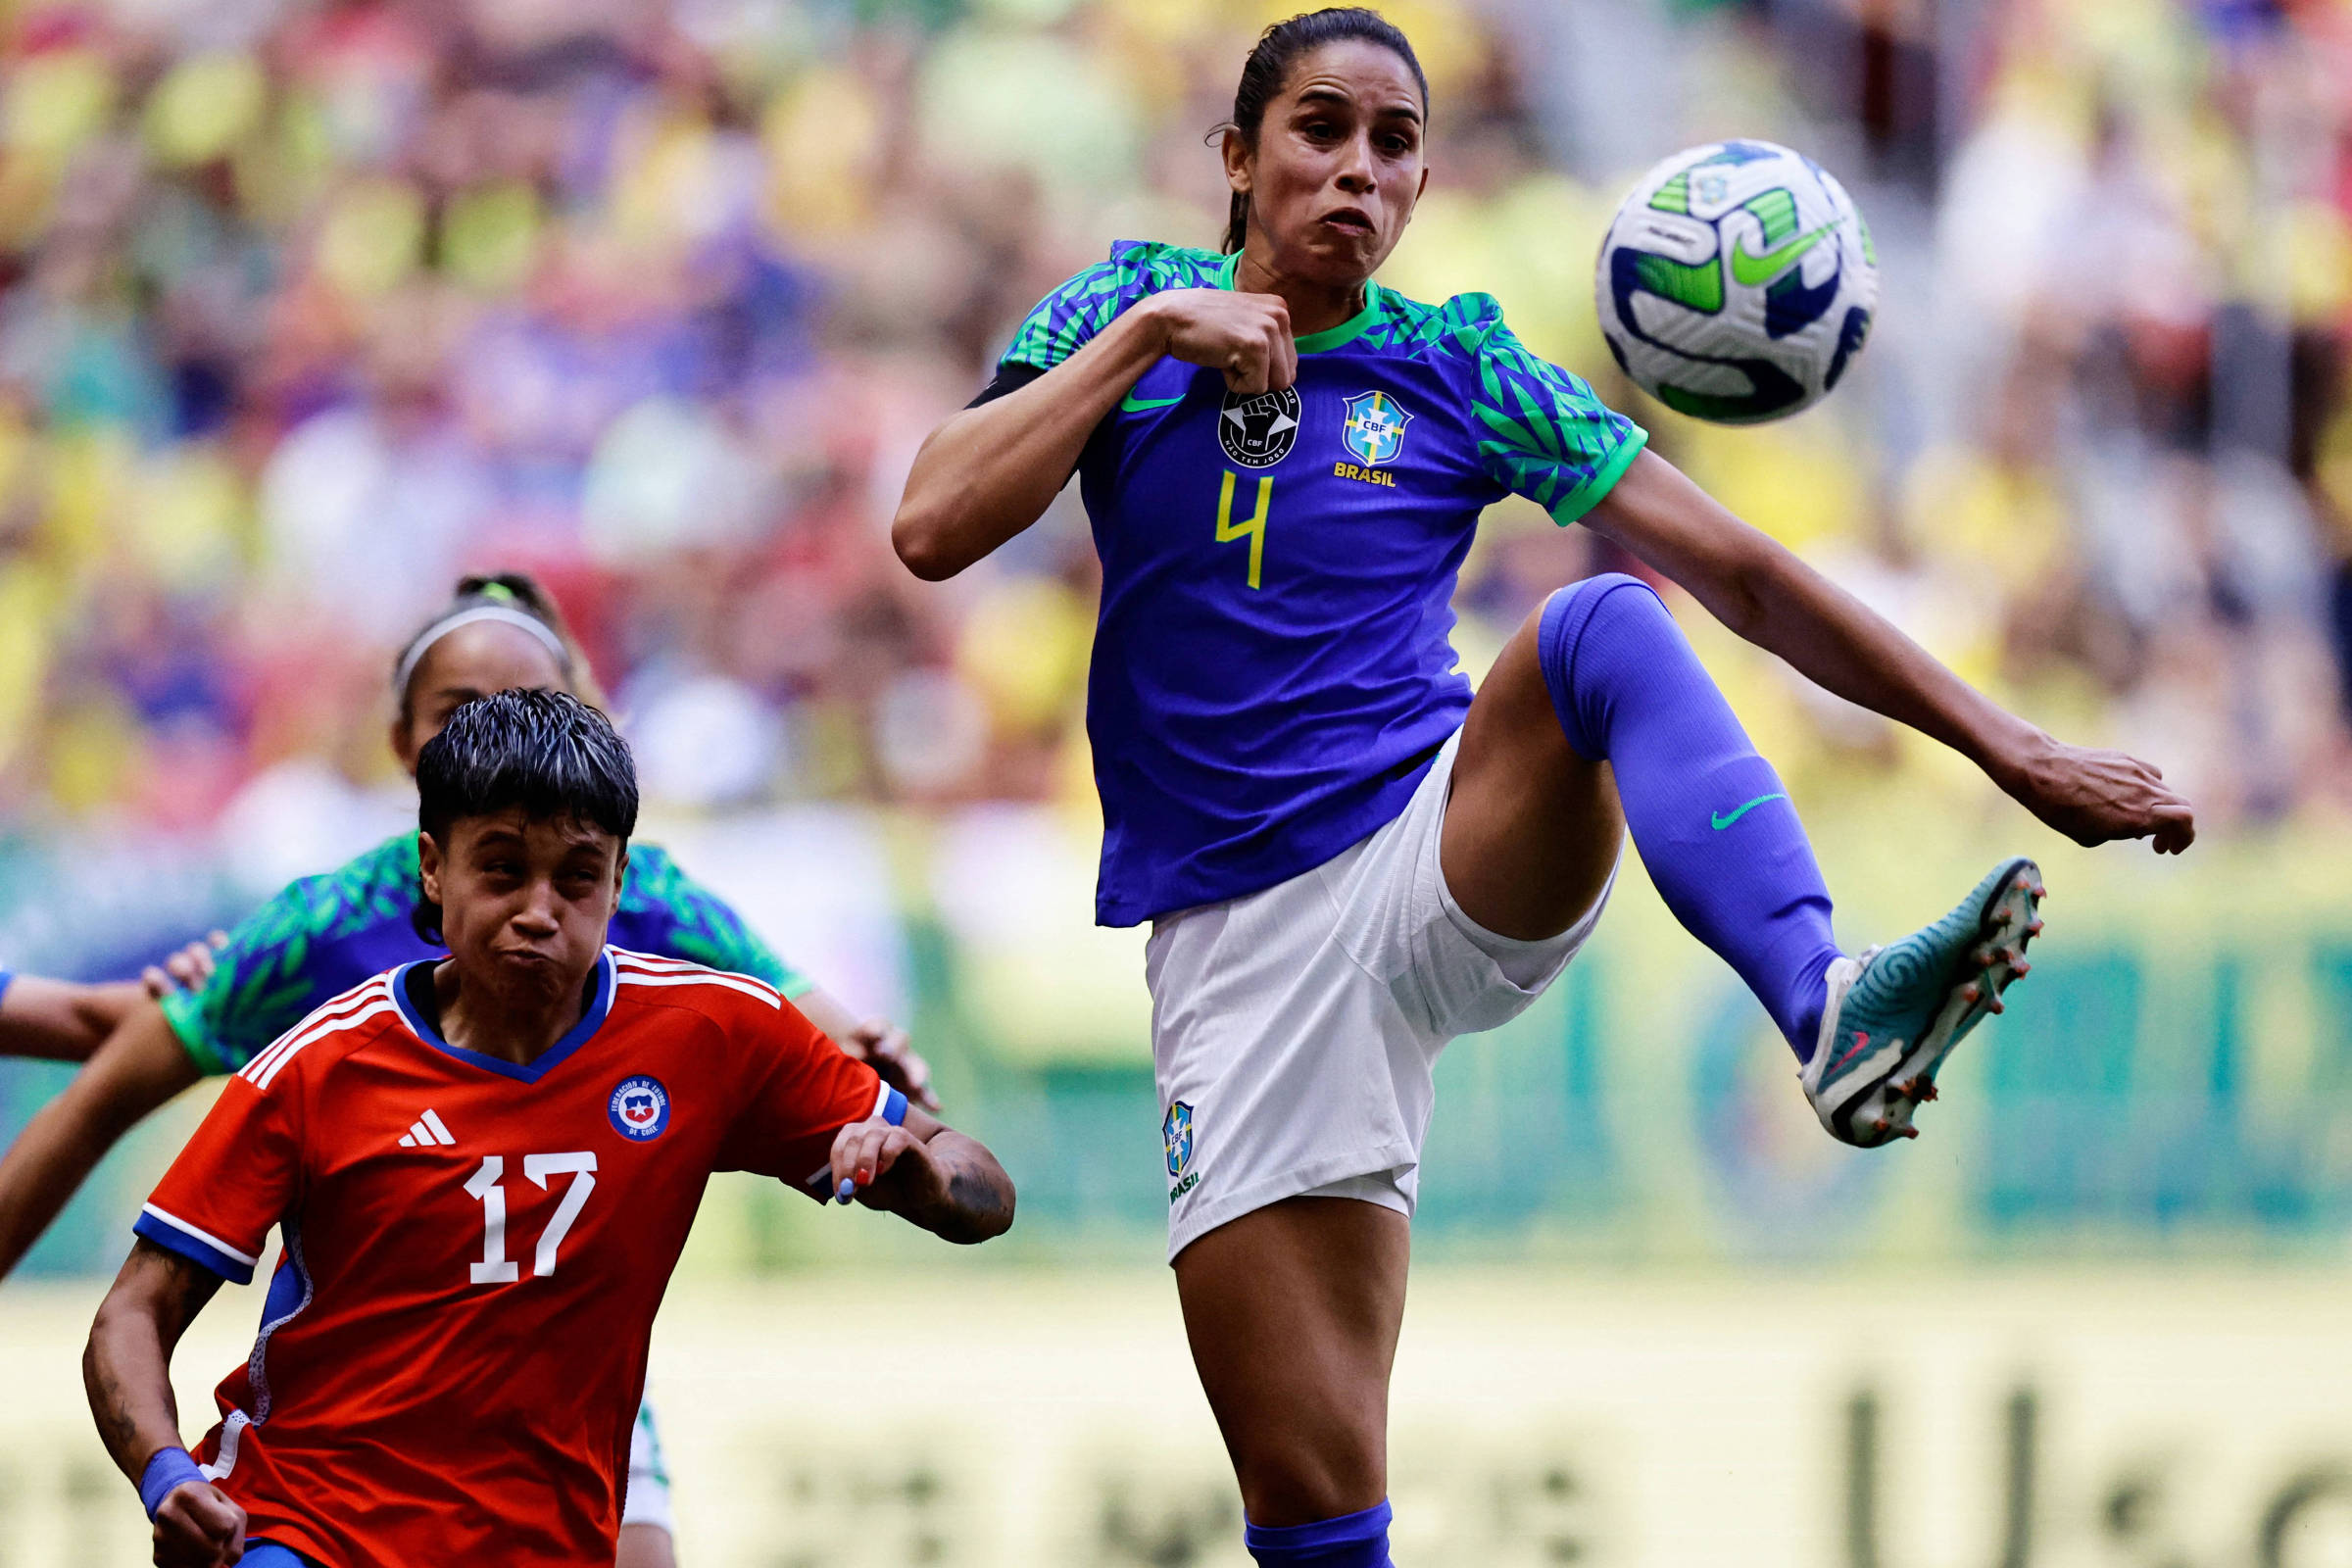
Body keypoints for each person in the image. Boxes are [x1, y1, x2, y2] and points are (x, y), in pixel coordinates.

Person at [890, 9, 2196, 1565]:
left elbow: (1750, 575)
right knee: (1316, 1511)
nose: (1358, 171)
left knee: (1600, 626)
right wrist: (1149, 341)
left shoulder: (1460, 368)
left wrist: (2013, 746)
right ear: (1236, 160)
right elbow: (930, 525)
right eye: (1320, 131)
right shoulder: (1119, 307)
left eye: (1394, 146)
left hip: (1434, 850)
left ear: (1426, 184)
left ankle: (1822, 1000)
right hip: (1237, 961)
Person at [7, 573, 937, 1566]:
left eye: (532, 703)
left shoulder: (646, 895)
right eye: (462, 712)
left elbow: (830, 1041)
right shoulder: (323, 928)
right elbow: (113, 1059)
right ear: (408, 746)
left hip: (559, 1396)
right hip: (356, 1437)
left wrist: (896, 1110)